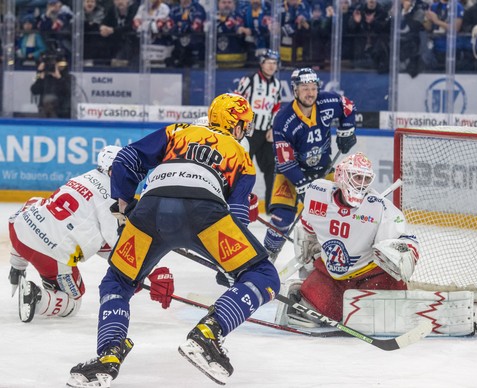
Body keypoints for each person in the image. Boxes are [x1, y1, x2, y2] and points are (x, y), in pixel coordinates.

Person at [67, 93, 281, 387]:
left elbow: (127, 158)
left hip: (150, 209)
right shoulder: (242, 157)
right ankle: (209, 333)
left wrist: (125, 202)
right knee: (264, 275)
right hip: (205, 212)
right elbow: (238, 215)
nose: (246, 130)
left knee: (117, 281)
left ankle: (109, 353)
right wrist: (230, 266)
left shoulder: (178, 131)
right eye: (244, 124)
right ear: (235, 124)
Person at [280, 152, 419, 323]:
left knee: (384, 317)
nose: (361, 184)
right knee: (313, 311)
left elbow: (407, 239)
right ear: (341, 175)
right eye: (357, 177)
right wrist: (310, 250)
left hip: (370, 276)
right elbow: (307, 228)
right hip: (333, 277)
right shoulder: (318, 193)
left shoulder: (380, 208)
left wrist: (404, 252)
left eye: (366, 179)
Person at [7, 146, 121, 323]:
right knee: (74, 303)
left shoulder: (83, 177)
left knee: (35, 203)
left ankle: (17, 266)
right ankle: (38, 297)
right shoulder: (113, 195)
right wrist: (130, 270)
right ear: (112, 169)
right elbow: (115, 241)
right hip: (49, 255)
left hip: (19, 231)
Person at [263, 67, 357, 259]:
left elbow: (348, 107)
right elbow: (285, 161)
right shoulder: (283, 119)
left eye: (313, 87)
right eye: (304, 87)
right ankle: (266, 256)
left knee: (340, 213)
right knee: (283, 217)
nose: (310, 92)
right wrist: (302, 184)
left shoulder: (328, 101)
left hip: (323, 170)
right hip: (290, 174)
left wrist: (346, 131)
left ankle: (337, 256)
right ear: (295, 90)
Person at [234, 49, 282, 212]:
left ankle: (271, 206)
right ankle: (237, 204)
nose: (271, 66)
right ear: (261, 63)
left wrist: (272, 128)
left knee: (271, 170)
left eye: (274, 63)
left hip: (266, 133)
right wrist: (240, 126)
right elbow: (237, 101)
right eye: (268, 62)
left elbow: (276, 107)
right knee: (243, 169)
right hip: (248, 132)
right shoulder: (249, 80)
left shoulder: (277, 85)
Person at [30, 50, 73, 118]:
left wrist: (59, 78)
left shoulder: (69, 77)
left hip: (62, 112)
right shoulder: (44, 76)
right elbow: (34, 90)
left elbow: (68, 91)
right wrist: (39, 74)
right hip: (45, 111)